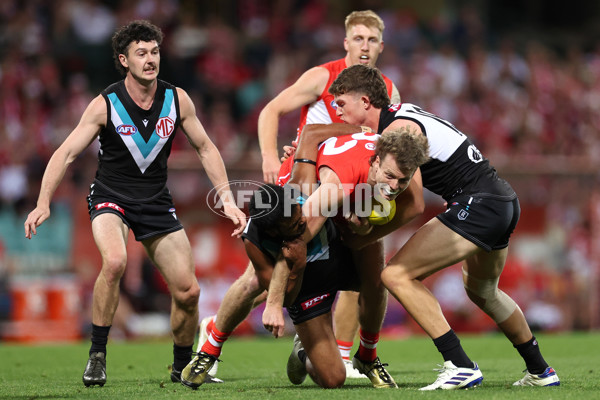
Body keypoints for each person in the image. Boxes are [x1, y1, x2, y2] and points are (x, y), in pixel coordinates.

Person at [297, 64, 560, 390]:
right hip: (501, 200)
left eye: (341, 104)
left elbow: (414, 203)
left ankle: (460, 365)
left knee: (395, 274)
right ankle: (541, 372)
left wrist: (364, 236)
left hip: (478, 203)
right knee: (483, 291)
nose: (336, 111)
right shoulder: (397, 120)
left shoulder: (399, 133)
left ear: (365, 102)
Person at [23, 20, 246, 388]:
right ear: (124, 60)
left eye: (155, 51)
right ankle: (97, 356)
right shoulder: (105, 104)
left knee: (189, 292)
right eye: (141, 53)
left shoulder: (178, 100)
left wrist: (228, 200)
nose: (150, 59)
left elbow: (206, 148)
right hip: (111, 197)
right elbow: (65, 153)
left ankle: (181, 369)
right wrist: (43, 202)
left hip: (156, 202)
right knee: (115, 261)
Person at [182, 124, 427, 390]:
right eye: (390, 176)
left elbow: (415, 206)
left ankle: (367, 357)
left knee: (377, 279)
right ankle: (210, 348)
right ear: (376, 161)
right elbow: (294, 240)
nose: (394, 187)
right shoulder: (328, 191)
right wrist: (275, 304)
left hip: (342, 206)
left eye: (402, 180)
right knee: (256, 281)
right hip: (303, 202)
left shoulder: (398, 160)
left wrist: (364, 234)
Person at [256, 9, 401, 378]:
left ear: (381, 46)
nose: (364, 46)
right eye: (358, 38)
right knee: (264, 271)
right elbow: (271, 110)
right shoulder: (323, 76)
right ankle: (216, 334)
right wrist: (272, 158)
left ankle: (348, 355)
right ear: (346, 42)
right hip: (311, 182)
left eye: (371, 40)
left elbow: (383, 144)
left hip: (355, 189)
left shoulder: (388, 89)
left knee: (367, 272)